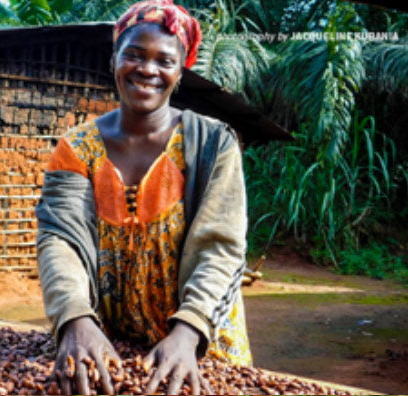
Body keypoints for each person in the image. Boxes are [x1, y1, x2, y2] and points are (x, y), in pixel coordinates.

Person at [36, 1, 251, 394]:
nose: (147, 70)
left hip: (200, 345)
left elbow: (220, 248)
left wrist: (188, 332)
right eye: (134, 54)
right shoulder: (77, 148)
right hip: (113, 346)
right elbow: (60, 239)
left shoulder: (213, 143)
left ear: (180, 70)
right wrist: (75, 319)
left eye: (164, 60)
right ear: (114, 57)